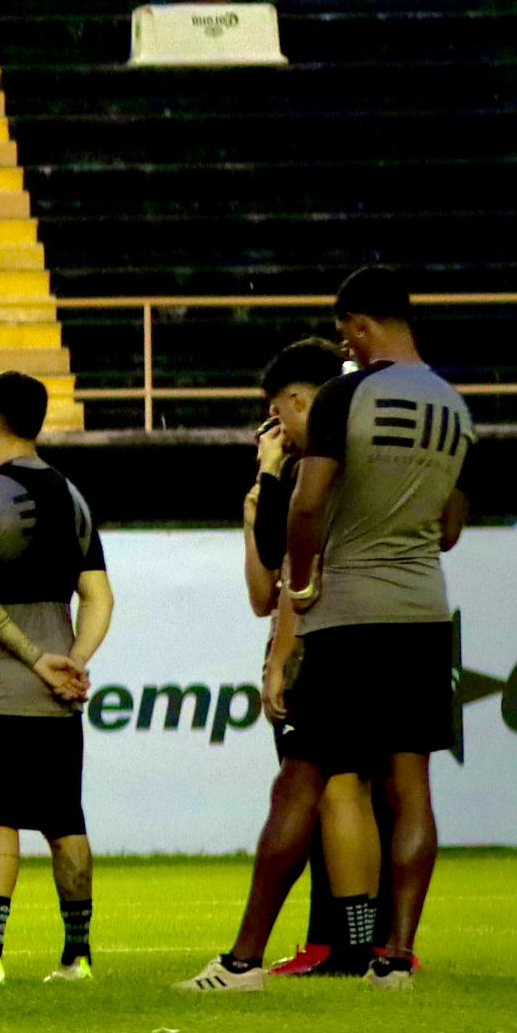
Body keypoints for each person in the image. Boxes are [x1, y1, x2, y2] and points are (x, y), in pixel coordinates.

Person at [280, 269, 471, 985]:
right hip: (424, 610)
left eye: (345, 332)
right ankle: (396, 953)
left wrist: (301, 584)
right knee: (412, 785)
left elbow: (306, 504)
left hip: (350, 614)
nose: (345, 346)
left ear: (360, 325)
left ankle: (264, 952)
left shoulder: (345, 394)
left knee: (321, 779)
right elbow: (451, 527)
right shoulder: (455, 406)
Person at [191, 343, 353, 987]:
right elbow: (263, 590)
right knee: (337, 795)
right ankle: (348, 944)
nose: (274, 427)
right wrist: (258, 496)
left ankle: (331, 945)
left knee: (317, 790)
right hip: (324, 638)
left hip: (318, 647)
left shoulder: (317, 473)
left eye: (276, 411)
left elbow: (290, 586)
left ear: (301, 400)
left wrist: (280, 658)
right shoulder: (295, 478)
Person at [0, 369, 112, 982]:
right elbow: (99, 597)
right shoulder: (73, 498)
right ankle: (78, 955)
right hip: (57, 701)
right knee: (66, 821)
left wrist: (36, 658)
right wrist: (74, 659)